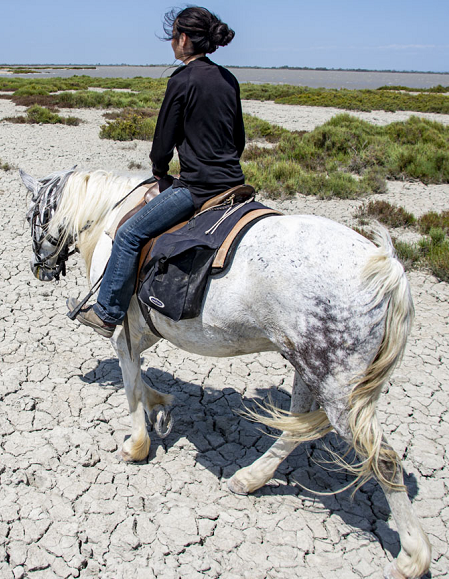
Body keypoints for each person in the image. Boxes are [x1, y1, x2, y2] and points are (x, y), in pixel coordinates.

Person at [68, 6, 245, 337]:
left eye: (173, 37)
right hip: (234, 185)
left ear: (183, 39)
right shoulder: (228, 79)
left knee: (129, 234)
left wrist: (161, 172)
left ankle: (107, 312)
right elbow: (238, 140)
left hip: (197, 189)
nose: (172, 45)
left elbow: (163, 142)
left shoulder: (181, 80)